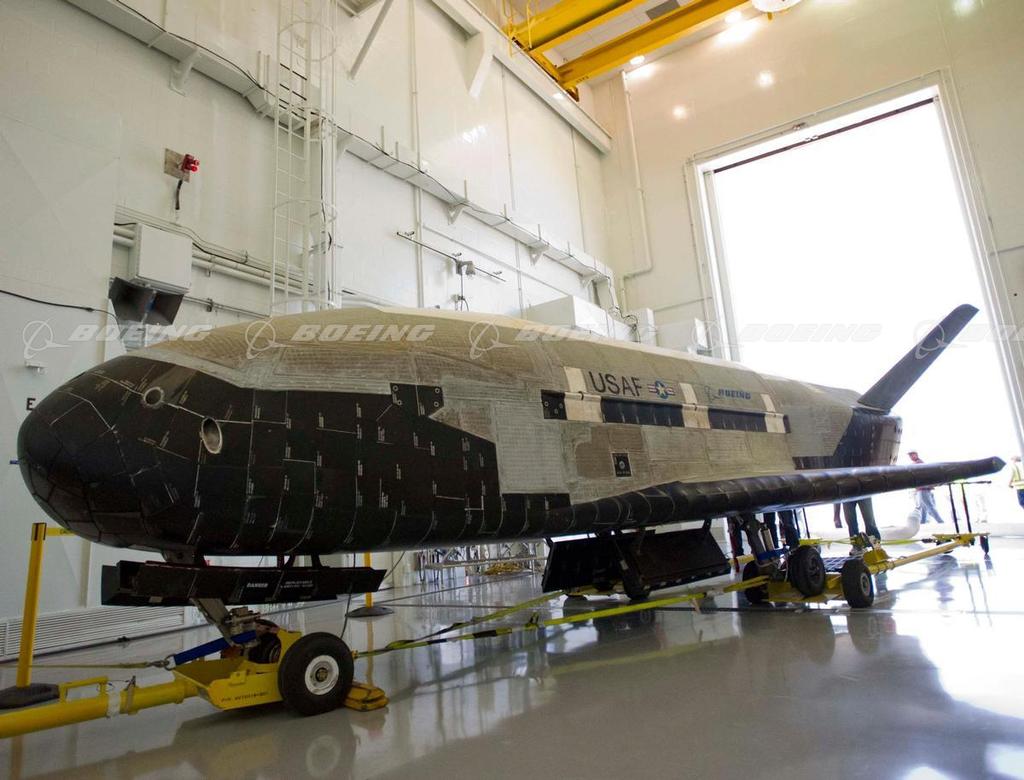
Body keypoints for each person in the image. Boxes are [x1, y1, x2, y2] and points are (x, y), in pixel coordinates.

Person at [908, 450, 944, 524]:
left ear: (916, 454)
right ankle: (922, 522)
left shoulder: (918, 463)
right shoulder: (919, 463)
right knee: (923, 507)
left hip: (923, 488)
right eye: (910, 455)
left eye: (912, 455)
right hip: (923, 488)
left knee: (929, 507)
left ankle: (940, 521)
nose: (910, 456)